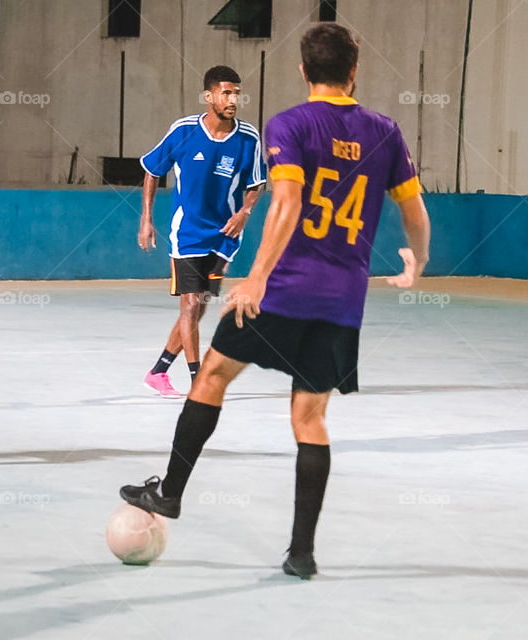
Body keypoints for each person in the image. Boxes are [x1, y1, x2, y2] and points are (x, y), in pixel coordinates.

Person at [121, 24, 431, 578]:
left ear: (303, 71)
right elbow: (414, 211)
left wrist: (258, 276)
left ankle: (169, 492)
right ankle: (302, 553)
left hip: (287, 287)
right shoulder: (386, 131)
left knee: (212, 373)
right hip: (343, 300)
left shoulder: (290, 123)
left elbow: (285, 202)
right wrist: (418, 260)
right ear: (354, 71)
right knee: (310, 418)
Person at [138, 65, 266, 398]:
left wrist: (244, 213)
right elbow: (152, 171)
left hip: (224, 237)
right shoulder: (184, 131)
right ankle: (199, 380)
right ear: (209, 96)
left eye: (236, 92)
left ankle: (158, 371)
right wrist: (147, 219)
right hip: (188, 233)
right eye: (226, 92)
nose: (233, 99)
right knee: (190, 306)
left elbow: (257, 183)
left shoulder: (248, 138)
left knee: (201, 305)